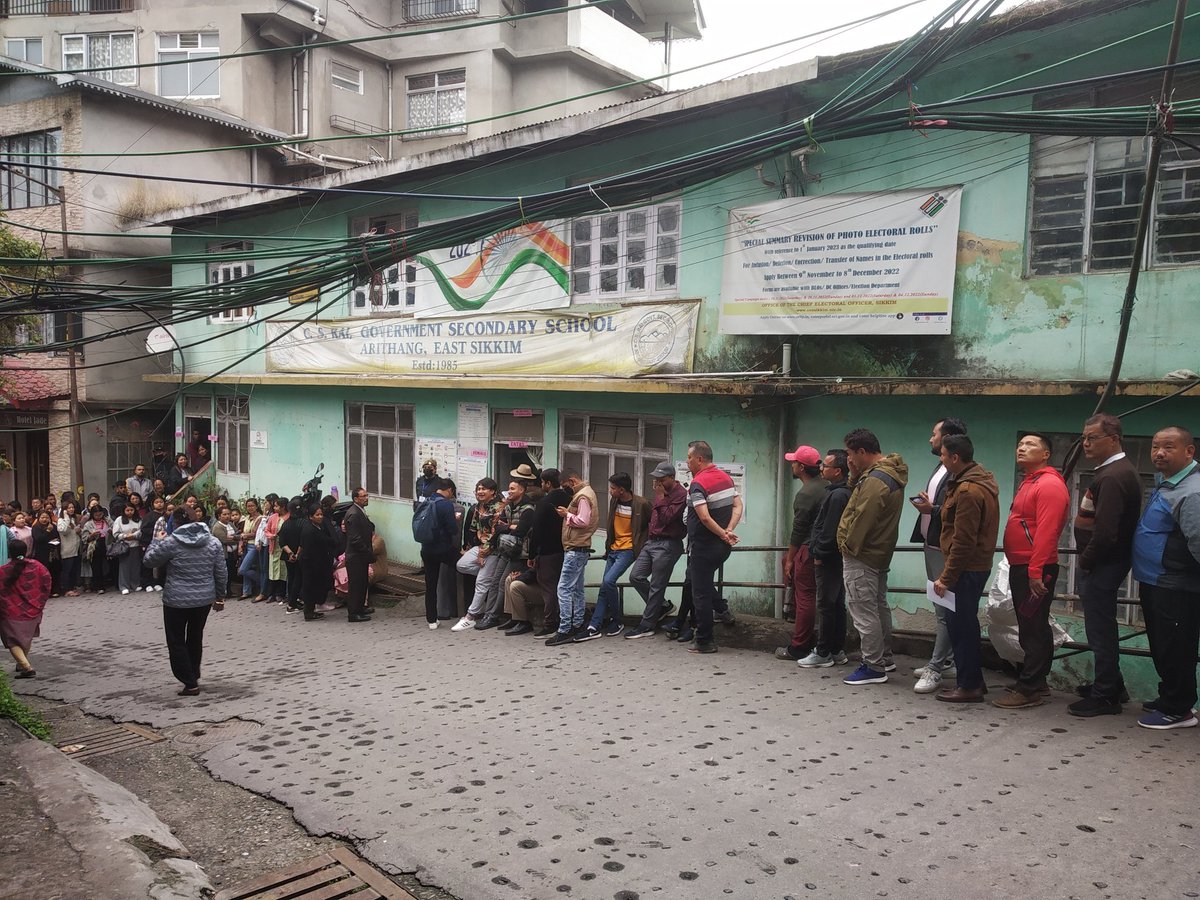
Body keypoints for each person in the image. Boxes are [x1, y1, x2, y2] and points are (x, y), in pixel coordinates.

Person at [1068, 414, 1143, 717]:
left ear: (1113, 439)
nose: (1085, 443)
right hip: (1105, 563)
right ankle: (1113, 684)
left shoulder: (1113, 475)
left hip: (1103, 565)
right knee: (1101, 627)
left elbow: (1106, 531)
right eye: (1084, 438)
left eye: (1092, 438)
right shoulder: (1113, 471)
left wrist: (1085, 563)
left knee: (1100, 630)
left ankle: (1105, 696)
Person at [993, 431, 1070, 710]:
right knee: (1031, 625)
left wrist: (1035, 571)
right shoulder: (1031, 481)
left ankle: (1029, 689)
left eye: (1030, 445)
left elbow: (1048, 532)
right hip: (1023, 565)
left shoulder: (1049, 485)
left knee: (1034, 627)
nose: (1022, 448)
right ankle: (1036, 681)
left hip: (1034, 567)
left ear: (1046, 454)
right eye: (1021, 443)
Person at [1132, 426, 1200, 729]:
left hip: (1176, 585)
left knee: (1176, 646)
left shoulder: (1193, 491)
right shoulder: (1169, 485)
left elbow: (1198, 542)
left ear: (1189, 451)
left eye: (1169, 447)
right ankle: (1170, 696)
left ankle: (1178, 708)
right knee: (1164, 644)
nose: (1159, 453)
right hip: (1157, 581)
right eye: (1155, 446)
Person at [929, 435, 1000, 703]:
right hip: (972, 567)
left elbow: (963, 540)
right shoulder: (975, 482)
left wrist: (946, 577)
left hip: (966, 569)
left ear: (955, 458)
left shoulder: (969, 491)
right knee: (965, 625)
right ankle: (973, 681)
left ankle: (968, 685)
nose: (941, 459)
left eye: (944, 455)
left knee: (961, 627)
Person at [838, 428, 908, 685]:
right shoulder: (885, 475)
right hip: (878, 552)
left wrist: (846, 545)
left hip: (863, 554)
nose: (849, 460)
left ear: (862, 452)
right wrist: (854, 476)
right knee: (878, 606)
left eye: (850, 454)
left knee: (863, 609)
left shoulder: (875, 481)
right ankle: (884, 657)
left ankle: (873, 665)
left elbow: (861, 518)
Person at [909, 417, 968, 694]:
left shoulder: (958, 471)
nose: (930, 439)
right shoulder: (942, 465)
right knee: (940, 608)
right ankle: (946, 660)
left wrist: (932, 509)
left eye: (934, 434)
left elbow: (954, 509)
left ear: (948, 438)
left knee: (945, 610)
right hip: (931, 545)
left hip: (943, 549)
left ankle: (935, 668)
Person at [144, 506, 226, 696]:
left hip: (176, 600)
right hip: (204, 599)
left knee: (176, 639)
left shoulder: (170, 542)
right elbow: (221, 572)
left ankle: (189, 681)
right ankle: (194, 674)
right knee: (195, 636)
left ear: (176, 522)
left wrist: (156, 541)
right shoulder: (213, 543)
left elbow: (149, 561)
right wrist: (220, 596)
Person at [683, 440, 743, 655]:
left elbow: (705, 518)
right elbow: (738, 504)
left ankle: (705, 641)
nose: (687, 462)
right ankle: (722, 609)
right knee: (697, 580)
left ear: (699, 459)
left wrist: (724, 533)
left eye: (689, 458)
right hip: (721, 547)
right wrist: (728, 530)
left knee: (700, 593)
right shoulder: (725, 478)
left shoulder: (698, 484)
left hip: (704, 546)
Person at [575, 473, 651, 641]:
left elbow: (651, 525)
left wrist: (643, 544)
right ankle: (594, 626)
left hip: (629, 549)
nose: (610, 491)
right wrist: (608, 547)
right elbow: (611, 525)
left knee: (608, 582)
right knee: (604, 588)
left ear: (622, 490)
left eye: (613, 488)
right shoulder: (615, 501)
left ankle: (616, 620)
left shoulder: (642, 504)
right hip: (613, 548)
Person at [798, 450, 853, 668]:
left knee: (826, 604)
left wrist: (818, 554)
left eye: (826, 466)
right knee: (836, 603)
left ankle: (823, 651)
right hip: (836, 557)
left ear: (837, 471)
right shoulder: (839, 492)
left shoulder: (838, 495)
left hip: (829, 558)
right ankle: (836, 649)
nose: (822, 469)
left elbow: (829, 530)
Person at [775, 445, 826, 662]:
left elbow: (798, 530)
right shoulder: (827, 486)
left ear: (802, 467)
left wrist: (791, 558)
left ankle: (799, 645)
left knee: (805, 597)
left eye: (794, 462)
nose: (792, 465)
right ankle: (827, 644)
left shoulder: (806, 493)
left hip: (808, 548)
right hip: (826, 548)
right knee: (825, 598)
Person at [625, 461, 687, 639]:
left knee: (657, 585)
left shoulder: (680, 495)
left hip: (668, 544)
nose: (657, 482)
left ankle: (647, 624)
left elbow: (667, 518)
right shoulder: (662, 493)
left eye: (661, 479)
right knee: (636, 576)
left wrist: (660, 496)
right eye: (656, 479)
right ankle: (663, 607)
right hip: (651, 542)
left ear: (672, 478)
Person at [544, 470, 600, 646]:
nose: (564, 489)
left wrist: (566, 515)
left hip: (575, 548)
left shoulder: (582, 496)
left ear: (572, 480)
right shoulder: (586, 493)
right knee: (576, 589)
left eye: (565, 486)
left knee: (564, 589)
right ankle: (577, 624)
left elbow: (583, 521)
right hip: (579, 548)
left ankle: (565, 628)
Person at [482, 477, 537, 630]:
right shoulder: (508, 507)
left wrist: (507, 527)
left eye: (513, 488)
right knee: (494, 582)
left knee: (503, 583)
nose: (509, 491)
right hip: (504, 550)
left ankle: (495, 616)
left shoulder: (528, 509)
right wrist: (509, 527)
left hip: (520, 553)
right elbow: (499, 527)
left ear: (522, 490)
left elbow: (521, 531)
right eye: (509, 488)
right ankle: (490, 614)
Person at [452, 479, 505, 631]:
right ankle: (490, 576)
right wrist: (470, 548)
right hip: (480, 545)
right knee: (461, 565)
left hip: (494, 548)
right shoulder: (478, 507)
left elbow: (496, 533)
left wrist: (483, 553)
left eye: (484, 489)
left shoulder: (499, 508)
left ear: (493, 492)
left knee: (481, 582)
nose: (480, 492)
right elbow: (474, 528)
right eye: (478, 489)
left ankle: (470, 616)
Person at [527, 468, 571, 637]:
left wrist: (531, 555)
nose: (541, 485)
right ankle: (566, 619)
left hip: (547, 552)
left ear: (547, 483)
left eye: (542, 482)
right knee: (564, 586)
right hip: (566, 549)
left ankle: (550, 623)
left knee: (549, 587)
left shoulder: (544, 503)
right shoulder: (569, 499)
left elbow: (536, 531)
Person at [0, 538, 51, 678]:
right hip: (33, 610)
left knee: (12, 641)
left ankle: (27, 667)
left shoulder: (3, 571)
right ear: (26, 550)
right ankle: (22, 663)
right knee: (25, 638)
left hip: (10, 612)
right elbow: (47, 583)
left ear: (9, 553)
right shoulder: (38, 566)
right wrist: (40, 601)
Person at [419, 479, 462, 629]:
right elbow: (452, 530)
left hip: (426, 549)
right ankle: (471, 609)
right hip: (443, 549)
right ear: (449, 490)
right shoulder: (446, 504)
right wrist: (455, 520)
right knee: (466, 567)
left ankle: (431, 620)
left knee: (430, 585)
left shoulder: (425, 501)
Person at [298, 504, 337, 621]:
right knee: (310, 587)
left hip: (317, 562)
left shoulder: (318, 527)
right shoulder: (309, 530)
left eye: (321, 514)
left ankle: (312, 610)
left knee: (314, 586)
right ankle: (309, 612)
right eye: (317, 515)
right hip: (311, 563)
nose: (320, 517)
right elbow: (312, 547)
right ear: (311, 517)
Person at [342, 486, 375, 623]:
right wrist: (367, 551)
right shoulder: (354, 514)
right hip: (356, 556)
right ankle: (354, 612)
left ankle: (360, 607)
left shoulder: (359, 511)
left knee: (362, 583)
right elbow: (355, 539)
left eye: (367, 495)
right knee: (356, 584)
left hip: (360, 555)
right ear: (356, 498)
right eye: (363, 496)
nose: (366, 498)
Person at [277, 498, 306, 613]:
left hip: (288, 555)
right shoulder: (303, 523)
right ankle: (292, 604)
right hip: (299, 555)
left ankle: (292, 601)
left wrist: (290, 553)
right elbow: (303, 541)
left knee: (292, 577)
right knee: (298, 579)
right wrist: (297, 554)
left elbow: (282, 542)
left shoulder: (286, 524)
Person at [110, 502, 144, 595]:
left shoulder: (139, 519)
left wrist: (134, 535)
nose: (130, 512)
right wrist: (125, 536)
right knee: (124, 566)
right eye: (127, 510)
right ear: (124, 511)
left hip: (135, 544)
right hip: (124, 546)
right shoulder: (119, 520)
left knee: (135, 566)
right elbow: (115, 533)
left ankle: (135, 584)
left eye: (131, 510)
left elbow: (142, 530)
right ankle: (124, 586)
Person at [237, 499, 264, 600]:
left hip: (254, 545)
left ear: (257, 506)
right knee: (247, 568)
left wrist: (243, 536)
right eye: (248, 506)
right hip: (245, 545)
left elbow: (255, 533)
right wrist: (240, 545)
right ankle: (246, 591)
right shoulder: (247, 518)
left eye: (252, 506)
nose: (250, 508)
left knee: (243, 569)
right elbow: (244, 534)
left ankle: (263, 583)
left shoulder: (260, 518)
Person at [80, 505, 110, 593]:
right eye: (96, 515)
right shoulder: (88, 524)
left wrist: (110, 531)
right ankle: (99, 586)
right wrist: (92, 535)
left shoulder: (107, 521)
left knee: (106, 565)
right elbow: (84, 538)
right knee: (96, 566)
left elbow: (114, 528)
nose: (98, 517)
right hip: (94, 546)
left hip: (107, 544)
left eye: (100, 514)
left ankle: (108, 583)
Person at [139, 496, 166, 592]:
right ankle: (146, 583)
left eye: (161, 501)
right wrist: (156, 533)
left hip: (162, 542)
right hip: (148, 542)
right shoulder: (149, 516)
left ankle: (158, 582)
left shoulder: (165, 515)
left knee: (160, 564)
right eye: (156, 502)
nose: (159, 504)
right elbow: (144, 528)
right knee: (147, 563)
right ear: (152, 504)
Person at [57, 500, 83, 597]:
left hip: (75, 548)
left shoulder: (74, 519)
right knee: (67, 570)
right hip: (67, 549)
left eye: (72, 507)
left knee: (73, 570)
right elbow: (63, 530)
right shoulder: (61, 520)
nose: (71, 509)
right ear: (64, 510)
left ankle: (72, 587)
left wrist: (79, 531)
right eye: (69, 508)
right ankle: (66, 589)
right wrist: (66, 517)